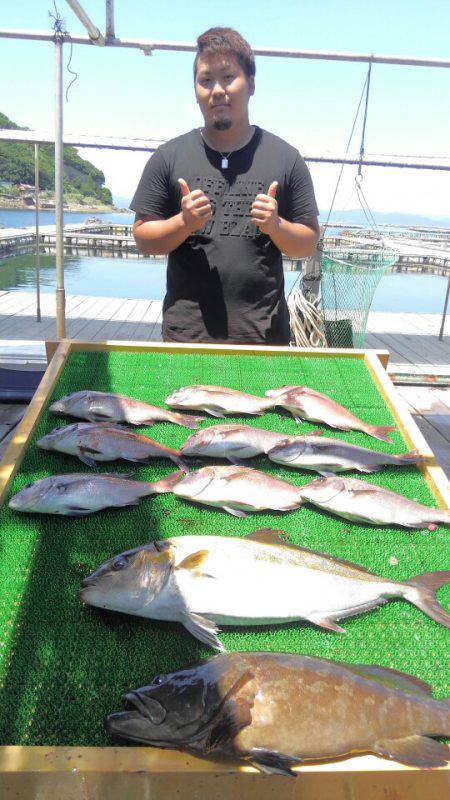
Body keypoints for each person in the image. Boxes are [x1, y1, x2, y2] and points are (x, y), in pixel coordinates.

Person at [131, 27, 319, 345]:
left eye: (228, 77)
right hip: (187, 339)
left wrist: (276, 225)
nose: (217, 90)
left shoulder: (287, 159)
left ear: (251, 84)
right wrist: (183, 222)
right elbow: (143, 239)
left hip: (264, 339)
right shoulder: (168, 157)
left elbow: (307, 243)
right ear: (195, 90)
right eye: (206, 80)